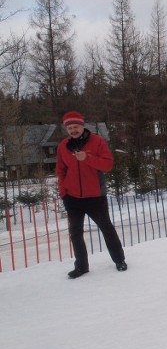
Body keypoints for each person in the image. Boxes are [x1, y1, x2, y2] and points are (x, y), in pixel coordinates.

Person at [56, 111, 127, 278]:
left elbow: (108, 164)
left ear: (82, 126)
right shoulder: (63, 146)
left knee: (107, 229)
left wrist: (87, 158)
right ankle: (81, 266)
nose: (73, 130)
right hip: (72, 198)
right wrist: (63, 193)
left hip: (95, 197)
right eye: (70, 128)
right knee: (75, 233)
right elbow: (60, 170)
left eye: (76, 127)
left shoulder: (97, 141)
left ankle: (119, 260)